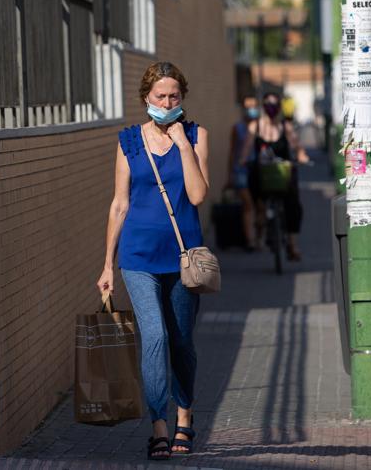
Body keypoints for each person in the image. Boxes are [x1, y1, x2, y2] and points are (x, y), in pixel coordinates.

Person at [97, 61, 209, 460]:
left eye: (174, 96)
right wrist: (108, 265)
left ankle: (185, 417)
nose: (167, 102)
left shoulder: (196, 136)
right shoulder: (128, 141)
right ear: (146, 97)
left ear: (182, 98)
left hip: (182, 259)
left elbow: (197, 196)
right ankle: (159, 425)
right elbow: (119, 203)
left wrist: (182, 145)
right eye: (160, 96)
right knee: (156, 336)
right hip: (138, 256)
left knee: (181, 343)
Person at [242, 91, 309, 260]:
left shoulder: (285, 126)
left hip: (283, 172)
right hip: (263, 172)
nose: (271, 107)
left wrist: (301, 155)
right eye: (268, 104)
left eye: (274, 104)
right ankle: (260, 229)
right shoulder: (255, 126)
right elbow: (248, 145)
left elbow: (296, 144)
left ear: (279, 107)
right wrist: (242, 159)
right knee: (257, 198)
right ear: (263, 106)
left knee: (293, 204)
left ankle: (293, 245)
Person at [227, 95, 260, 251]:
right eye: (248, 106)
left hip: (258, 168)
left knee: (260, 205)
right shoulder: (237, 128)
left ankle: (260, 237)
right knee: (248, 204)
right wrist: (230, 174)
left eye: (254, 106)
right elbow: (232, 151)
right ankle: (250, 240)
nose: (251, 109)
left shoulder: (261, 127)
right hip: (241, 170)